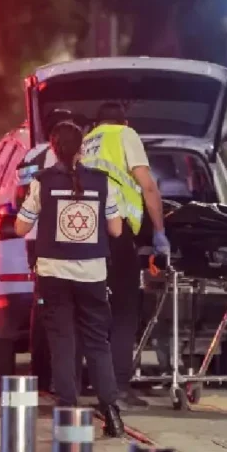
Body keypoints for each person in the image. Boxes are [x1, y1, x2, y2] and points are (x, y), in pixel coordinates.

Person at [14, 119, 125, 436]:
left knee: (62, 341)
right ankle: (111, 413)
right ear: (82, 149)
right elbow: (116, 229)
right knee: (97, 343)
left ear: (52, 147)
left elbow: (21, 228)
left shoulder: (42, 182)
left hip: (53, 274)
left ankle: (67, 412)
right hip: (92, 273)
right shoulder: (105, 183)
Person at [81, 102, 169, 408]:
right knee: (125, 311)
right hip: (116, 233)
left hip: (85, 234)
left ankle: (98, 383)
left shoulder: (87, 141)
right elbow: (147, 186)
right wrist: (159, 232)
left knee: (94, 312)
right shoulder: (125, 135)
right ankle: (118, 386)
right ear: (124, 120)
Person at [15, 109, 91, 393]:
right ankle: (65, 376)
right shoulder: (79, 159)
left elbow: (18, 197)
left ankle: (45, 373)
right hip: (69, 240)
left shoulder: (32, 158)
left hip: (38, 240)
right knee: (70, 311)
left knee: (45, 307)